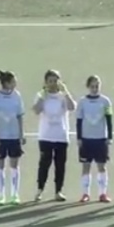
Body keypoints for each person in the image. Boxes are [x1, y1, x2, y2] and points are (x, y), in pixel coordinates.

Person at [34, 70, 76, 202]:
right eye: (50, 81)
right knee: (44, 164)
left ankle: (58, 191)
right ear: (46, 82)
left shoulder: (63, 96)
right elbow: (36, 110)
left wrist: (66, 92)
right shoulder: (41, 95)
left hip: (61, 136)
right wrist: (43, 95)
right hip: (46, 136)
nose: (52, 84)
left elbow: (72, 107)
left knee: (60, 165)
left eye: (55, 81)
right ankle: (39, 190)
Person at [0, 70, 26, 206]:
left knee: (14, 166)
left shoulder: (17, 96)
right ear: (6, 83)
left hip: (14, 137)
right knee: (0, 165)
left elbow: (20, 116)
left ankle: (15, 194)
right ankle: (1, 195)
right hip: (1, 137)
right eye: (13, 81)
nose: (16, 83)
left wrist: (21, 134)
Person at [76, 75, 113, 203]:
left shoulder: (105, 101)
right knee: (86, 166)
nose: (94, 89)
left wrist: (110, 137)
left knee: (101, 167)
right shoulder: (82, 102)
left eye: (97, 86)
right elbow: (79, 120)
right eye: (92, 86)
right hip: (86, 139)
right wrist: (79, 138)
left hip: (100, 138)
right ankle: (85, 194)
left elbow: (109, 119)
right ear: (88, 87)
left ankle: (102, 193)